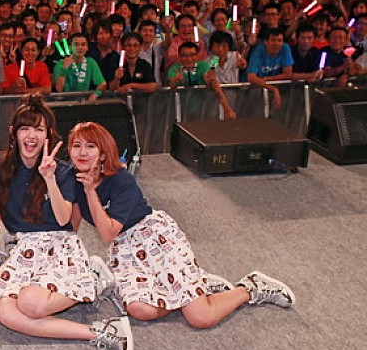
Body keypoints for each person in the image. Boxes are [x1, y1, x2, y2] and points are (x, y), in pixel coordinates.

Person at [68, 121, 296, 332]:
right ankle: (196, 286)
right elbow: (72, 226)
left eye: (90, 146)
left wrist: (91, 192)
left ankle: (249, 288)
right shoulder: (74, 180)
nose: (82, 152)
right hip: (125, 249)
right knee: (139, 310)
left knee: (201, 317)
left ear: (103, 153)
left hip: (154, 237)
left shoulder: (121, 179)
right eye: (76, 146)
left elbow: (108, 232)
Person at [0, 94, 133, 350]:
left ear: (48, 135)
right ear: (13, 133)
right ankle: (99, 332)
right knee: (4, 312)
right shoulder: (0, 166)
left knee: (30, 303)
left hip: (58, 244)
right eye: (25, 128)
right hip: (22, 248)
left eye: (39, 129)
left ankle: (91, 279)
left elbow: (65, 219)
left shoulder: (62, 171)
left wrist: (49, 178)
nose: (31, 136)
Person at [168, 42, 237, 119]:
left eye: (192, 55)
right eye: (184, 55)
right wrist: (176, 80)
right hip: (181, 112)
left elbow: (211, 82)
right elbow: (171, 84)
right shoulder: (174, 68)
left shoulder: (203, 66)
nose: (189, 59)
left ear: (197, 55)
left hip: (203, 111)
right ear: (179, 56)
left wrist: (227, 109)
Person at [53, 33, 106, 100]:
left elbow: (102, 84)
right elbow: (59, 89)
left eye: (83, 44)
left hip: (83, 103)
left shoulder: (90, 62)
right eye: (76, 45)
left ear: (87, 48)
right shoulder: (61, 63)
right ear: (70, 47)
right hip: (64, 102)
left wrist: (95, 94)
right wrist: (64, 68)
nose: (80, 48)